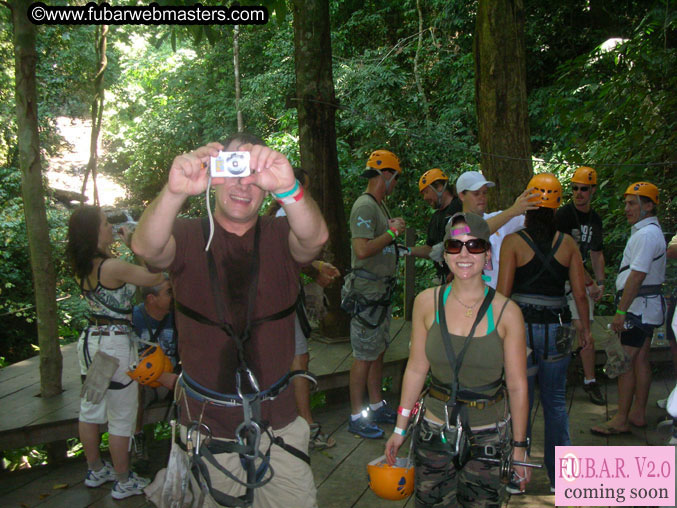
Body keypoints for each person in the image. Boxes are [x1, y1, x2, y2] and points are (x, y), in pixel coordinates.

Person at [132, 134, 328, 508]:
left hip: (280, 423)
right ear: (214, 175)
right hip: (206, 427)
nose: (243, 184)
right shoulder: (189, 235)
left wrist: (289, 188)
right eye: (232, 169)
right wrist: (175, 192)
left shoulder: (280, 235)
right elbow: (147, 249)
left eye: (252, 173)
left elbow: (315, 238)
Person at [386, 212, 530, 506]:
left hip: (487, 436)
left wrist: (519, 448)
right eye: (455, 246)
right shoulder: (427, 302)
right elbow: (415, 369)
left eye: (474, 246)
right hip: (434, 431)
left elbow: (517, 386)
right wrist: (400, 429)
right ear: (445, 253)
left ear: (487, 254)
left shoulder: (507, 312)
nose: (464, 254)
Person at [497, 173, 592, 494]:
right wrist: (586, 330)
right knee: (554, 402)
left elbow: (503, 293)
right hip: (560, 328)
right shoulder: (568, 244)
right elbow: (579, 294)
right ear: (554, 208)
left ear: (529, 205)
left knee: (519, 399)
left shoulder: (513, 243)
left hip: (520, 330)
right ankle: (560, 479)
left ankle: (517, 475)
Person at [66, 205, 166, 500]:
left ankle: (96, 468)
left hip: (93, 342)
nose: (109, 227)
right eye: (104, 223)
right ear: (93, 232)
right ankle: (123, 480)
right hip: (115, 344)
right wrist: (136, 246)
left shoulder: (85, 265)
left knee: (92, 409)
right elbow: (155, 277)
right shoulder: (110, 267)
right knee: (122, 413)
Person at [271, 167, 340, 450]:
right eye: (305, 189)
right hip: (281, 305)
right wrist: (317, 268)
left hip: (282, 302)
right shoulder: (284, 217)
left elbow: (294, 260)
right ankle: (307, 427)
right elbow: (293, 257)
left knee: (294, 362)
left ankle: (290, 424)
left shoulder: (276, 218)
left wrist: (317, 269)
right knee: (299, 362)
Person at [591, 182, 666, 436]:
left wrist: (621, 312)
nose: (626, 208)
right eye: (626, 203)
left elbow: (637, 276)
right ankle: (637, 413)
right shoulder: (650, 232)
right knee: (640, 360)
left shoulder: (646, 235)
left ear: (649, 205)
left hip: (638, 307)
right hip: (646, 307)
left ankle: (622, 418)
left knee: (623, 362)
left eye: (632, 203)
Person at [343, 149, 406, 439]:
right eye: (395, 178)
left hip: (380, 293)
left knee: (378, 350)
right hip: (367, 294)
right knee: (364, 355)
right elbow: (362, 249)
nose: (395, 184)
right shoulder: (365, 207)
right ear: (386, 175)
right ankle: (357, 414)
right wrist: (392, 234)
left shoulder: (380, 206)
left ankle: (376, 404)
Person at [554, 166, 606, 406]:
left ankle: (590, 380)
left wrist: (601, 283)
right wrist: (592, 283)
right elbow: (568, 257)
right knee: (571, 330)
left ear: (593, 190)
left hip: (581, 281)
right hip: (561, 281)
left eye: (583, 189)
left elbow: (596, 252)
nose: (578, 193)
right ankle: (561, 382)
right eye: (574, 188)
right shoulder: (563, 216)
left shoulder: (594, 219)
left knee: (585, 329)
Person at [455, 170, 537, 288]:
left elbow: (533, 220)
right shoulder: (453, 223)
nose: (482, 197)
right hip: (471, 296)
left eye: (484, 193)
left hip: (498, 297)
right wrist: (513, 210)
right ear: (462, 195)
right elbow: (476, 231)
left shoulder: (497, 218)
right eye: (476, 194)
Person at [130, 275, 178, 468]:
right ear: (151, 298)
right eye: (168, 292)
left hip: (172, 378)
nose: (174, 297)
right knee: (134, 392)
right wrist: (158, 376)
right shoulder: (133, 319)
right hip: (144, 381)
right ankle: (137, 439)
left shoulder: (177, 318)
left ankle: (187, 439)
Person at [409, 168, 462, 283]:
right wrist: (407, 250)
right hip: (444, 279)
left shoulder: (459, 206)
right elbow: (430, 249)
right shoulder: (436, 217)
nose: (424, 198)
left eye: (426, 192)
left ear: (439, 187)